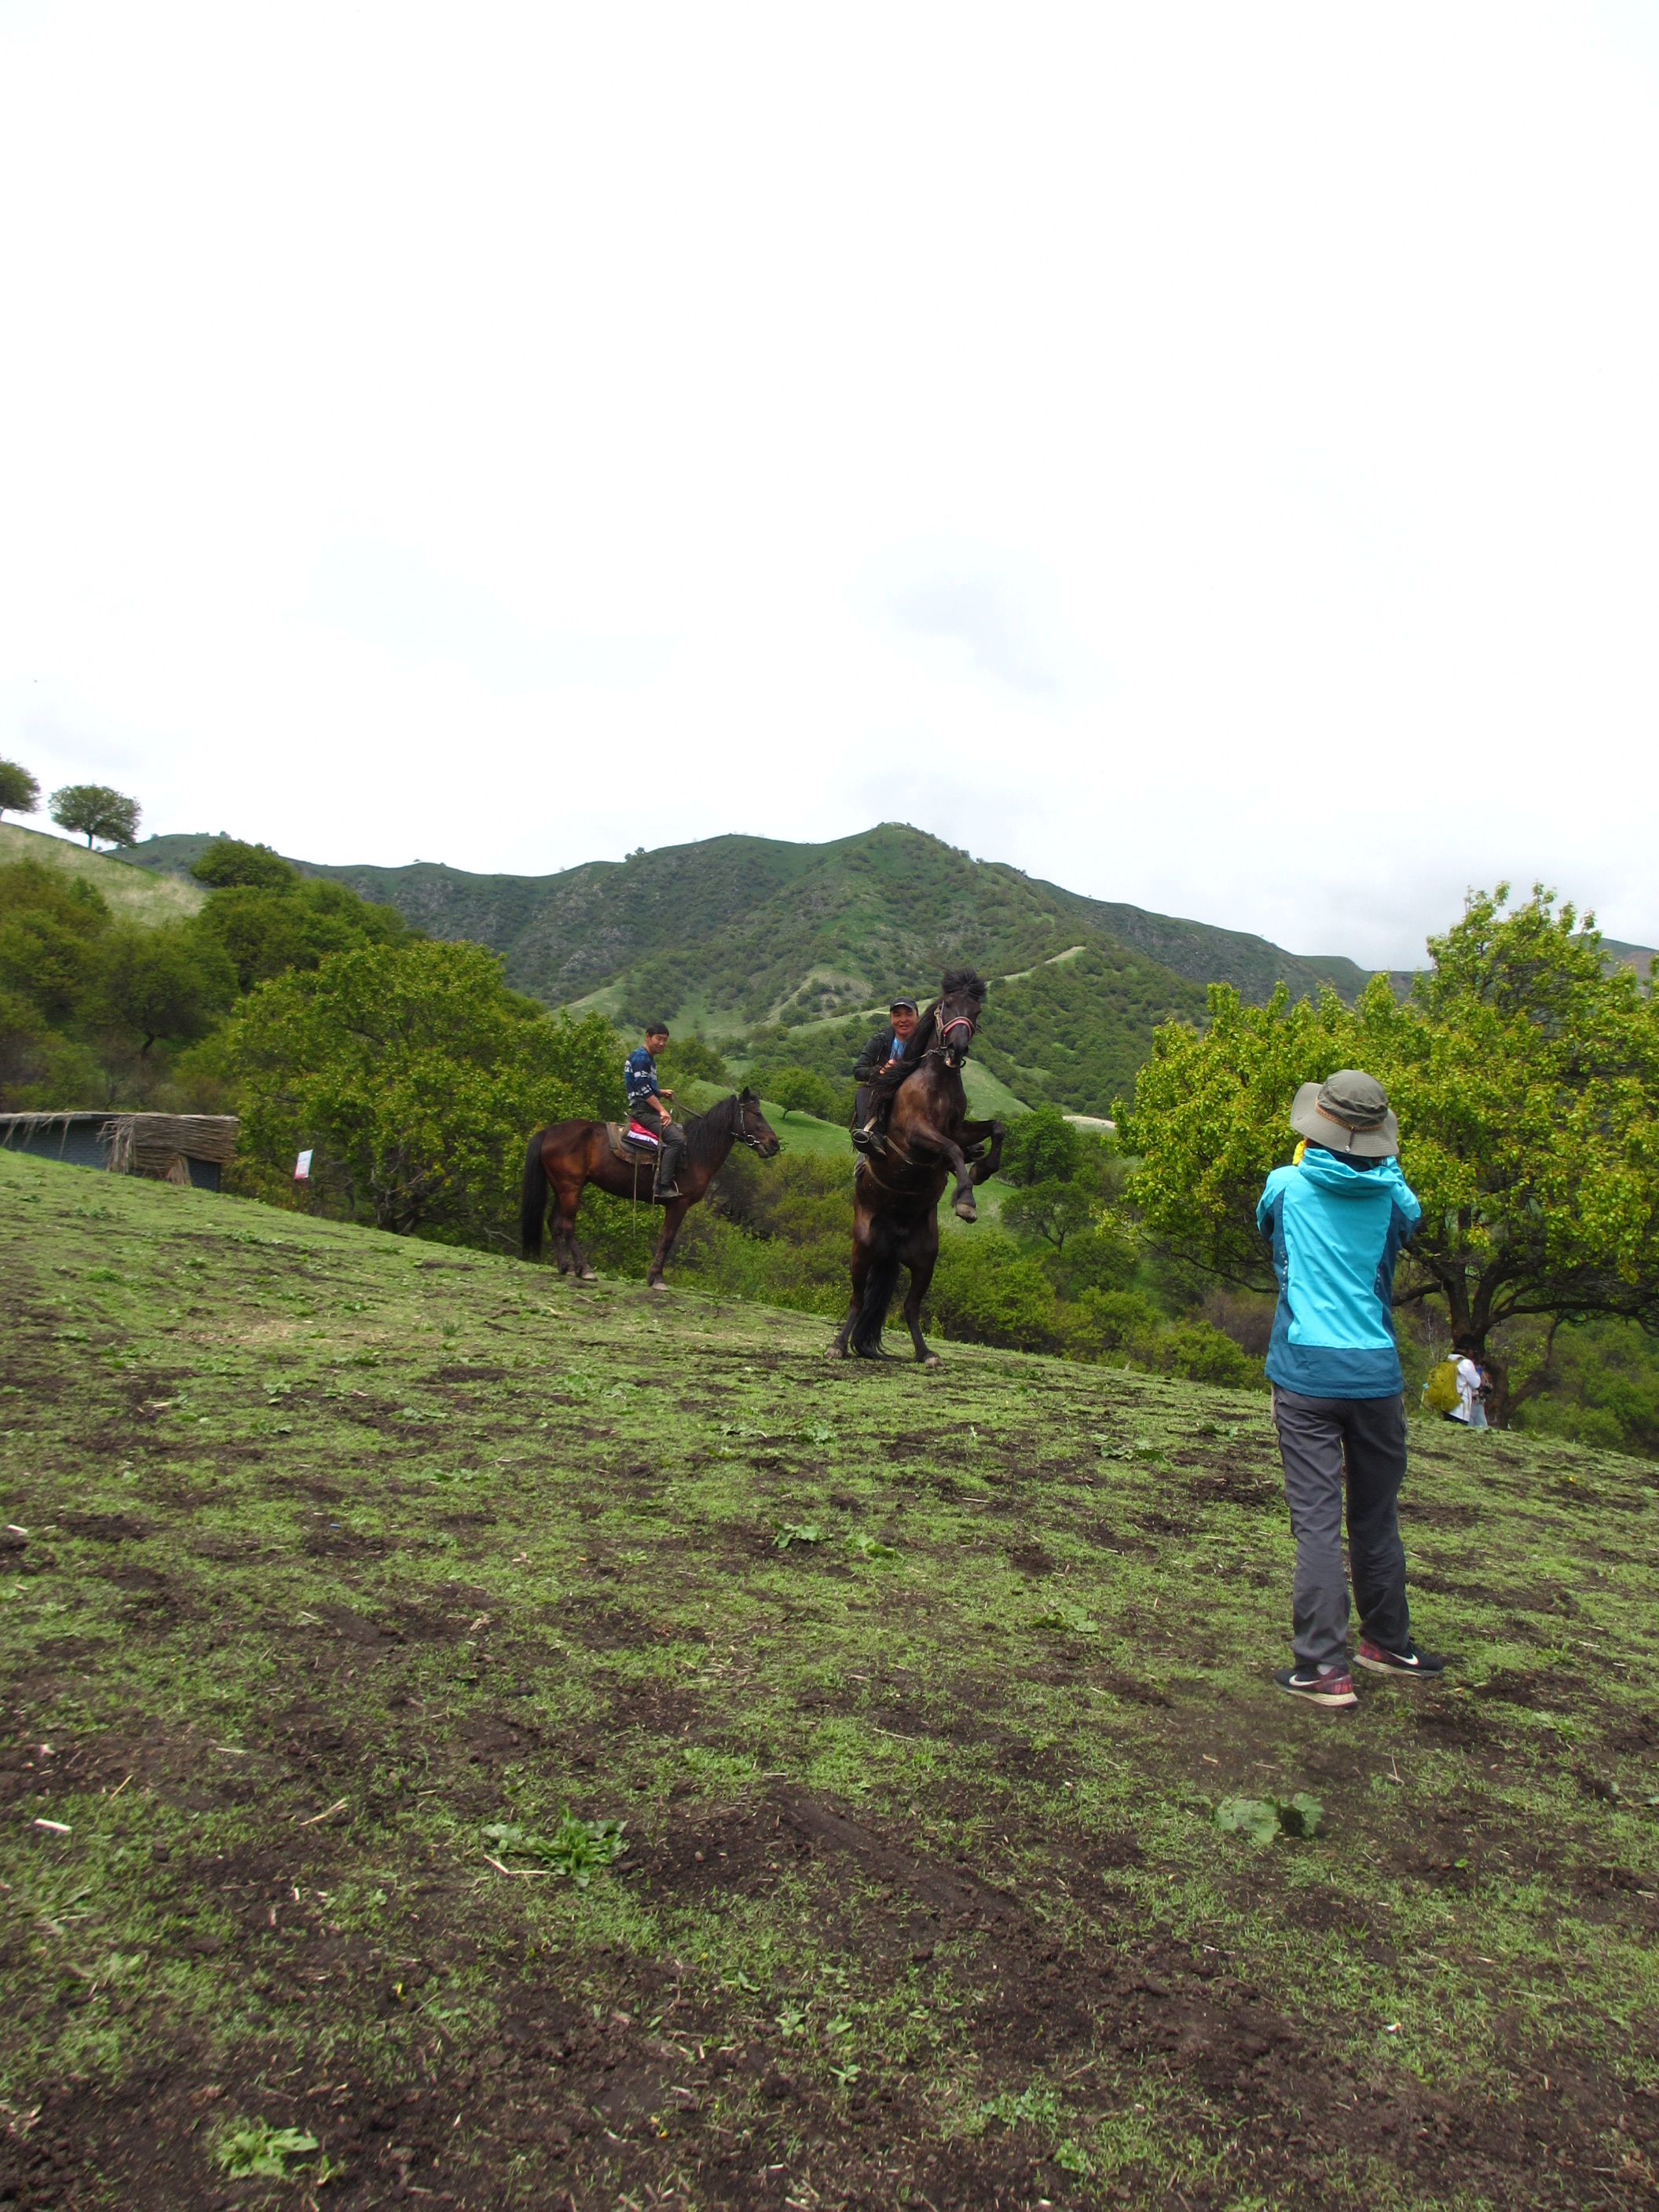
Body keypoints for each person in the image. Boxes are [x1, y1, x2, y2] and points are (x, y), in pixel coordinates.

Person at [1256, 1069, 1445, 1708]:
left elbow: (1269, 1231)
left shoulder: (1285, 1184)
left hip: (1306, 1375)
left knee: (1316, 1523)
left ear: (1317, 1127)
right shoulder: (1395, 1198)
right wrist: (1384, 1172)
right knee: (1375, 1516)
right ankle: (1388, 1642)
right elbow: (1407, 1220)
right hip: (1376, 1377)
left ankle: (1322, 1666)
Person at [624, 1024, 687, 1201]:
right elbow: (642, 1088)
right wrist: (662, 1110)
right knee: (677, 1140)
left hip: (645, 1107)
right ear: (648, 1037)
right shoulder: (641, 1058)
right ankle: (662, 1186)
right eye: (658, 1039)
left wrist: (660, 1092)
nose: (662, 1043)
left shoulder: (647, 1058)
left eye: (665, 1040)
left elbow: (642, 1085)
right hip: (643, 1111)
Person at [850, 998, 920, 1154]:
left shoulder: (927, 1043)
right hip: (886, 1093)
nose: (903, 1020)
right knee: (863, 1092)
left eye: (909, 1014)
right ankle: (871, 1136)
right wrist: (879, 1071)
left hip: (919, 1094)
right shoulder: (880, 1041)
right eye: (897, 1015)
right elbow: (858, 1070)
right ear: (891, 1018)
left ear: (917, 1017)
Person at [1448, 1337, 1489, 1430]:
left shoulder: (1449, 1359)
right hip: (1459, 1409)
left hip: (1447, 1406)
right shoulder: (1466, 1363)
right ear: (1468, 1350)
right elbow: (1477, 1383)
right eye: (1473, 1351)